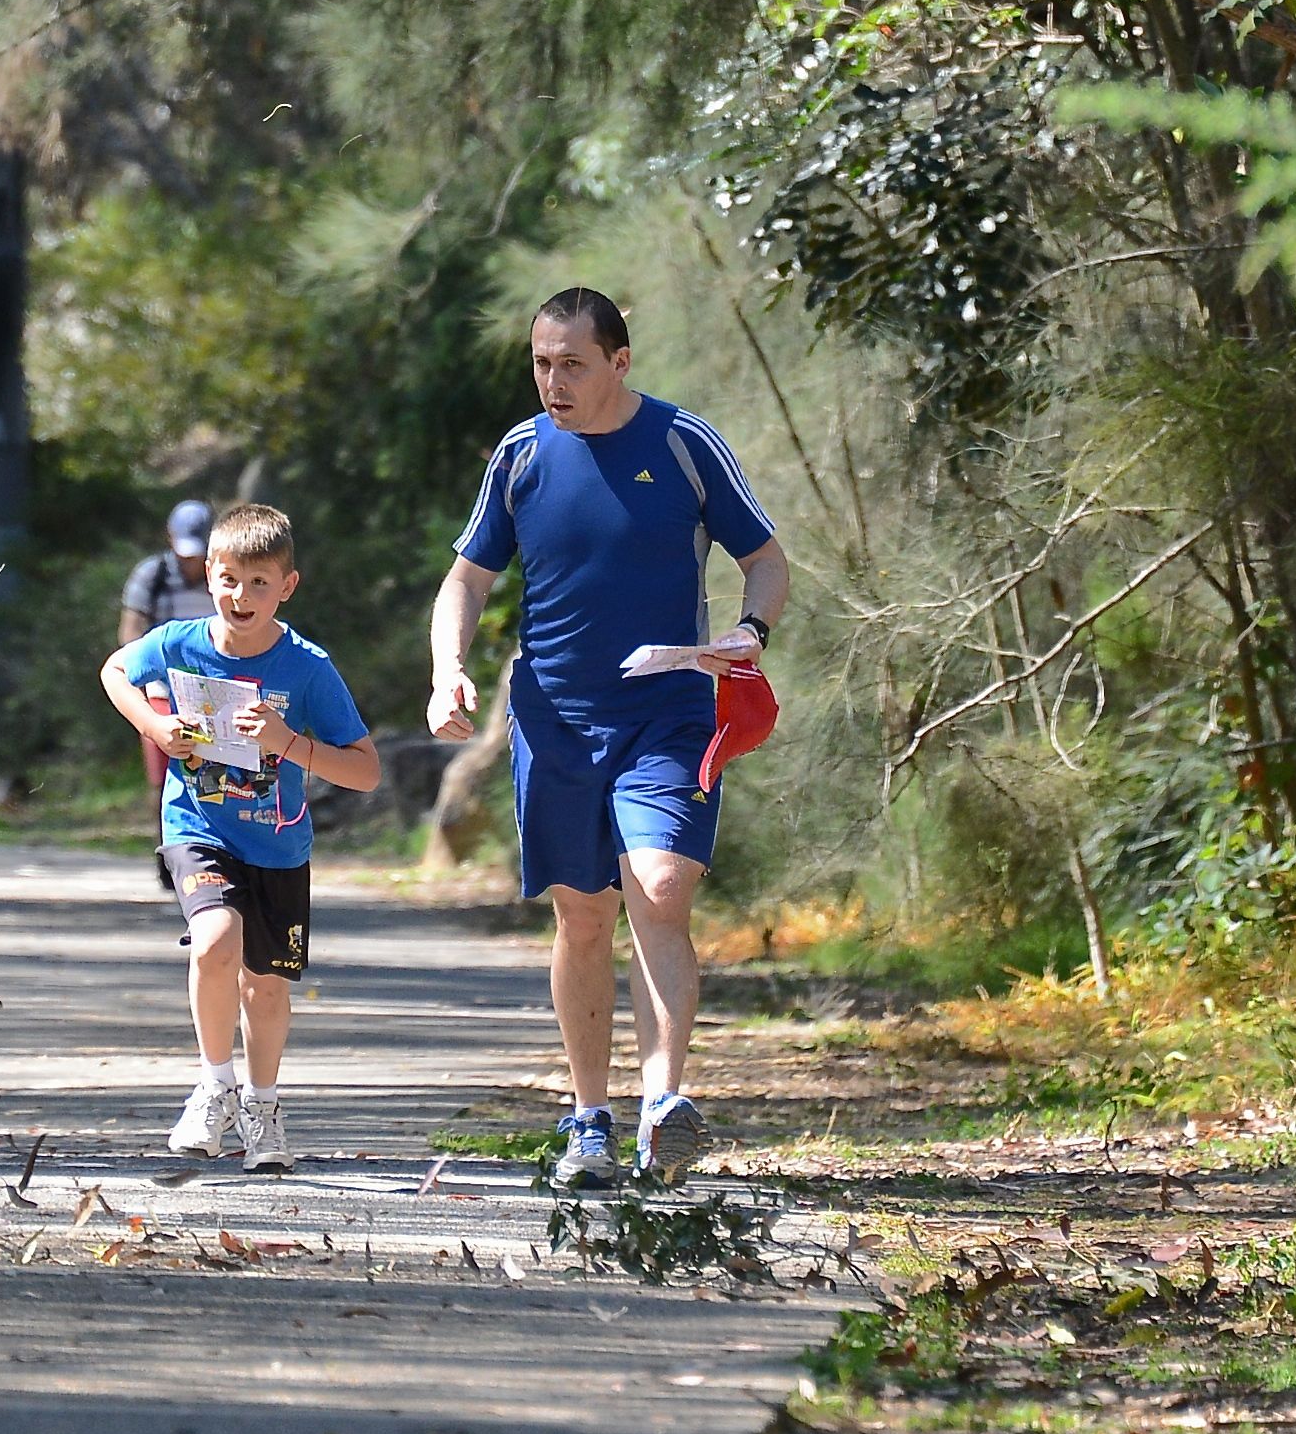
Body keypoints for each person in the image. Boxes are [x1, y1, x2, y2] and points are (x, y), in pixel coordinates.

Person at [427, 288, 791, 1190]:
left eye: (572, 363)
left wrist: (752, 630)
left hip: (668, 709)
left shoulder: (681, 443)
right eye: (542, 362)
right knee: (583, 914)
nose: (554, 380)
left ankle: (663, 1105)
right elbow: (466, 577)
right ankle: (589, 1118)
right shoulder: (520, 453)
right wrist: (449, 668)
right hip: (555, 719)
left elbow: (767, 558)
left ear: (619, 361)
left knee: (659, 888)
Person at [100, 503, 378, 1173]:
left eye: (259, 582)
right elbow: (115, 671)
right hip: (197, 825)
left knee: (267, 987)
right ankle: (213, 1083)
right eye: (227, 579)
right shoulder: (176, 642)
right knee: (215, 937)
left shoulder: (308, 667)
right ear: (209, 576)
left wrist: (288, 743)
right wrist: (156, 726)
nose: (240, 595)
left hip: (278, 845)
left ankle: (262, 1105)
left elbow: (365, 770)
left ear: (288, 585)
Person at [118, 499, 220, 891]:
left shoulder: (223, 577)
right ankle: (168, 854)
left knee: (217, 775)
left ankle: (211, 854)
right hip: (162, 689)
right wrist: (139, 685)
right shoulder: (153, 575)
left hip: (213, 691)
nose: (191, 562)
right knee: (164, 775)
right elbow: (131, 630)